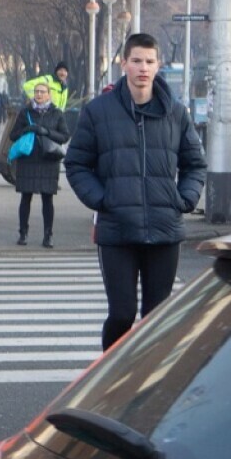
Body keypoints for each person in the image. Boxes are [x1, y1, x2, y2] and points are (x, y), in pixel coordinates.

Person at [64, 32, 206, 349]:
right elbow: (76, 163)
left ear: (158, 66)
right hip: (117, 230)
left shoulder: (176, 113)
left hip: (164, 229)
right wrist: (102, 200)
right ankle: (109, 377)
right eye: (137, 60)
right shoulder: (98, 111)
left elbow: (195, 164)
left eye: (150, 61)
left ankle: (148, 384)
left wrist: (184, 199)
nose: (143, 68)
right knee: (122, 313)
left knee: (156, 317)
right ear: (124, 63)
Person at [6, 81, 69, 247]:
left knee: (47, 199)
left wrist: (46, 131)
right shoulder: (25, 112)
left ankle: (48, 235)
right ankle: (23, 233)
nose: (39, 94)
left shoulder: (56, 113)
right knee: (25, 197)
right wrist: (27, 129)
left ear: (49, 94)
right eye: (36, 92)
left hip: (48, 160)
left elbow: (64, 136)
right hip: (28, 160)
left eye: (42, 92)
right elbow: (13, 135)